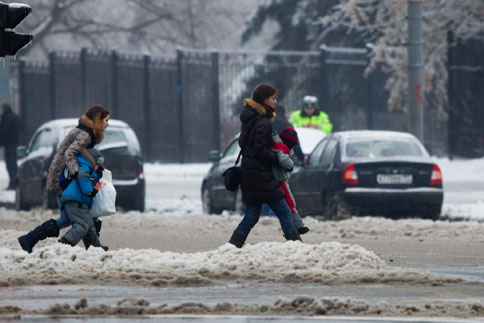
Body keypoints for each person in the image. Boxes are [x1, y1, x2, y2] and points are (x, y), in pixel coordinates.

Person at [17, 105, 110, 253]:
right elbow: (70, 153)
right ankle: (37, 241)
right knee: (78, 215)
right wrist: (76, 173)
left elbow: (79, 153)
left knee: (69, 218)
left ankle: (29, 239)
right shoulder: (86, 135)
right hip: (63, 178)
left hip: (61, 176)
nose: (107, 124)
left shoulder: (84, 131)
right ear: (98, 120)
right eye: (105, 120)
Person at [228, 83, 302, 248]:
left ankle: (233, 246)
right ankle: (297, 247)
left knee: (252, 215)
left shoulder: (250, 120)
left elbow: (245, 144)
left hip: (250, 174)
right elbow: (260, 150)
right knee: (283, 210)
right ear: (264, 100)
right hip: (261, 176)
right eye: (273, 98)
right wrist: (277, 158)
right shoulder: (263, 123)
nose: (275, 102)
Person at [57, 148, 107, 251]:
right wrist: (89, 191)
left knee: (89, 224)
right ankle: (65, 244)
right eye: (97, 164)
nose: (98, 167)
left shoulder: (86, 166)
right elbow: (82, 175)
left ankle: (95, 248)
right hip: (75, 200)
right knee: (82, 224)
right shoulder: (85, 167)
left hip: (76, 199)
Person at [271, 126, 309, 235]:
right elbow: (286, 162)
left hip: (278, 179)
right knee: (289, 203)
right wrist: (290, 165)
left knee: (287, 205)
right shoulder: (281, 148)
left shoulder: (277, 146)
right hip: (280, 180)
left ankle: (294, 227)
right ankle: (296, 226)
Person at [0, 103, 22, 190]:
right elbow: (21, 126)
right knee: (13, 164)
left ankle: (13, 183)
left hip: (8, 144)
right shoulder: (15, 117)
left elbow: (4, 132)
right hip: (14, 144)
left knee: (10, 164)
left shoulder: (5, 118)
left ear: (4, 109)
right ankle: (14, 182)